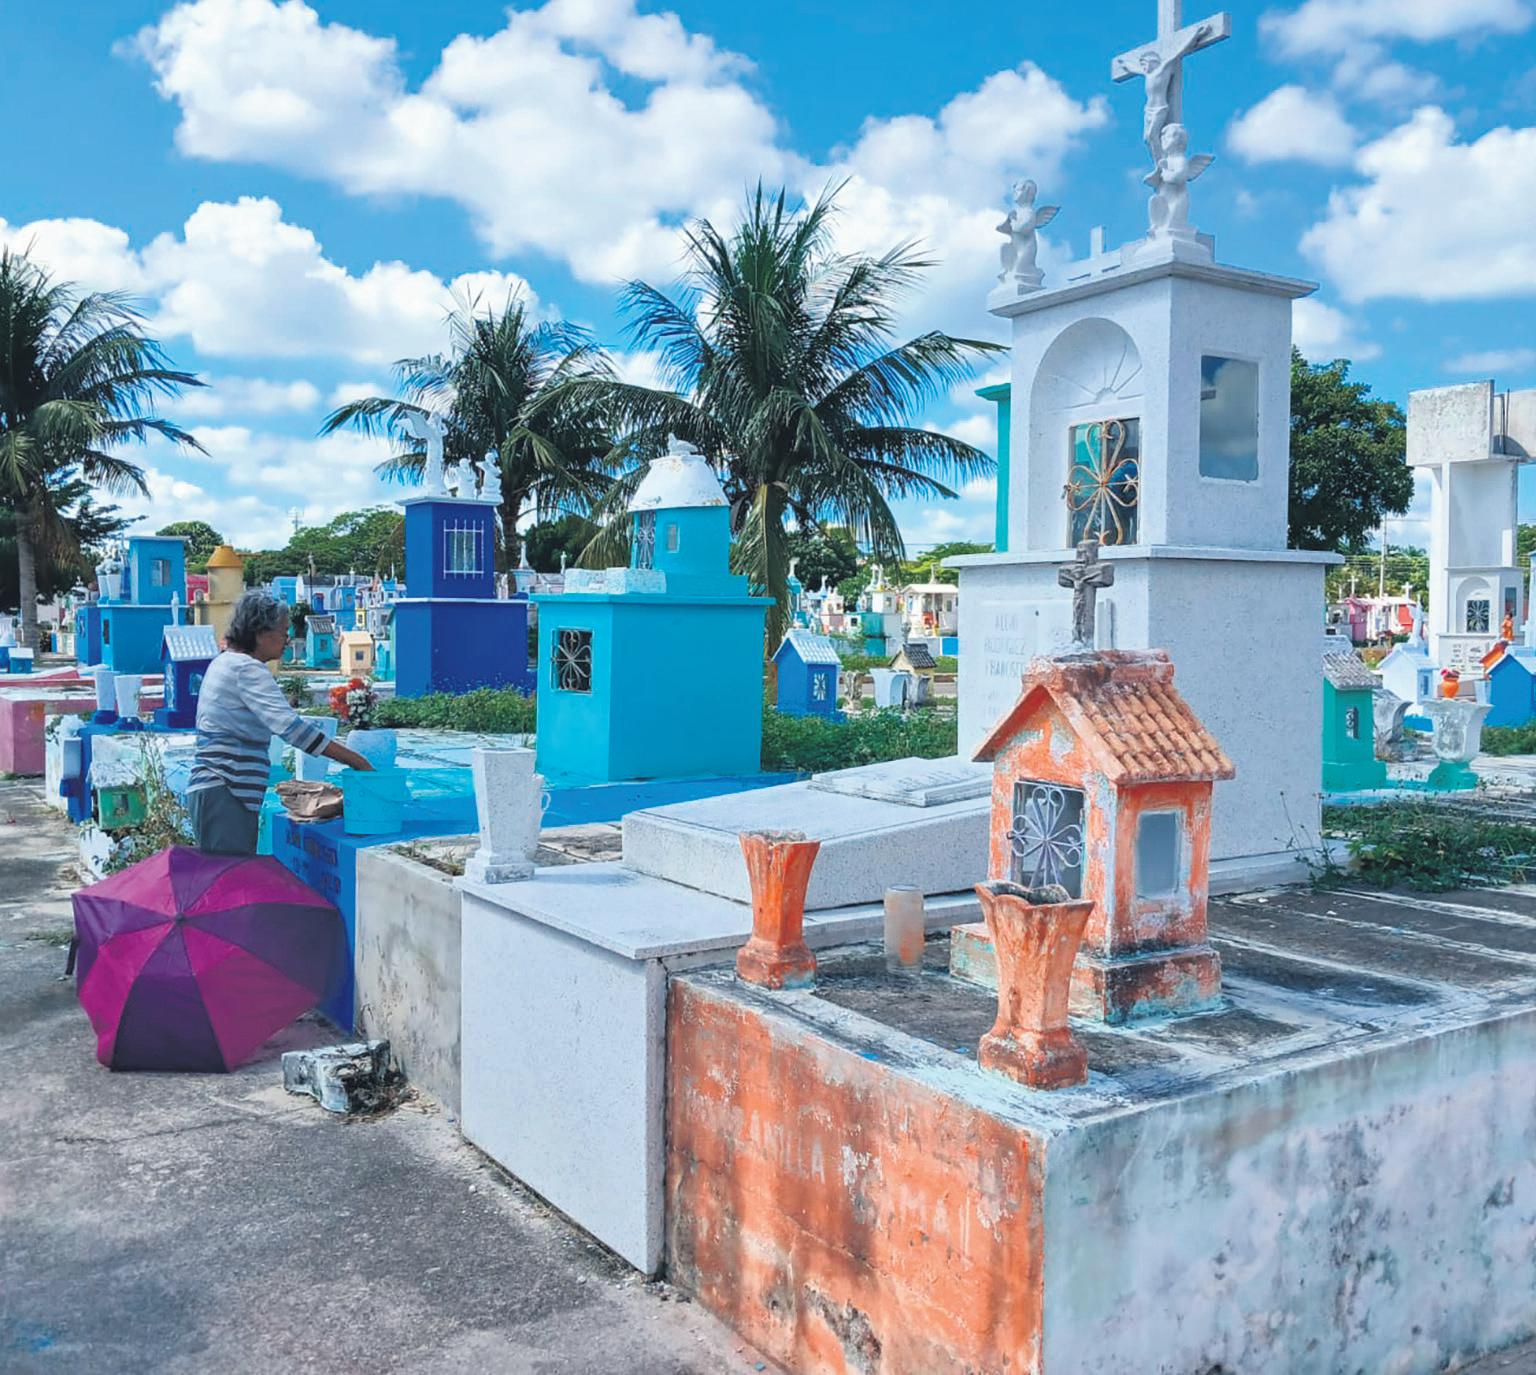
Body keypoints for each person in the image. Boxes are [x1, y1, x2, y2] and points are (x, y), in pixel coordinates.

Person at [186, 590, 373, 855]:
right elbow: (293, 730)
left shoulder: (225, 662)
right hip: (226, 790)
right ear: (260, 633)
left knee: (225, 874)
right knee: (231, 873)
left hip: (217, 791)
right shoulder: (246, 668)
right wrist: (357, 761)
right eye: (283, 632)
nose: (288, 639)